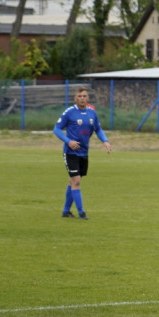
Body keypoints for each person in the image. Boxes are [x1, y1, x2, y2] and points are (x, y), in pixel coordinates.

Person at [54, 86, 111, 219]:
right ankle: (81, 213)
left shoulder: (92, 113)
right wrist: (68, 141)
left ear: (88, 98)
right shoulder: (69, 112)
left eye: (84, 96)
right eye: (80, 96)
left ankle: (66, 211)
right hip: (70, 153)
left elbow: (98, 129)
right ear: (75, 98)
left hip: (84, 152)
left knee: (73, 182)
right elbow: (56, 129)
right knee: (77, 181)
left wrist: (105, 141)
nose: (82, 98)